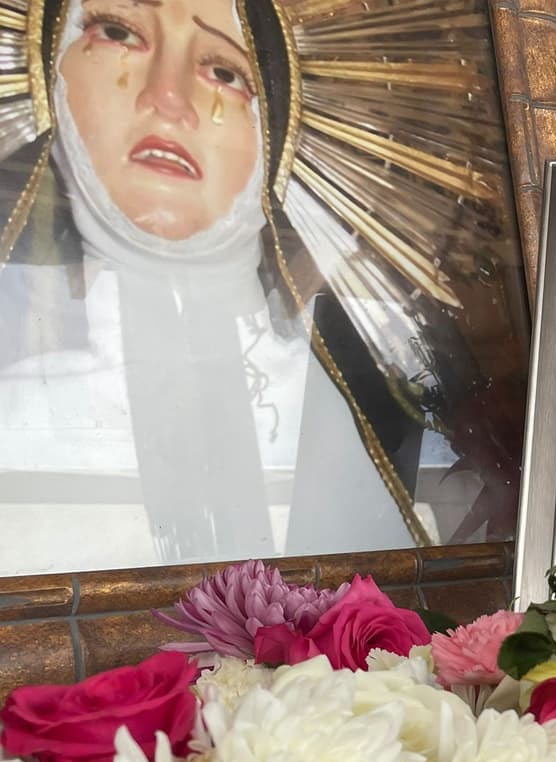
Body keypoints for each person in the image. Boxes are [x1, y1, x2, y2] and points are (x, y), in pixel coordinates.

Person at [0, 0, 499, 574]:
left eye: (224, 72)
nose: (167, 100)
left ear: (280, 125)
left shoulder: (352, 414)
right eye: (118, 32)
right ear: (50, 74)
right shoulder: (20, 411)